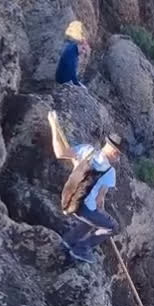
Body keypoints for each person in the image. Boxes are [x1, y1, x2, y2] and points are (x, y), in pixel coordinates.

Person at [48, 110, 121, 264]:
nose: (118, 158)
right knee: (112, 227)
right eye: (119, 154)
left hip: (69, 201)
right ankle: (81, 249)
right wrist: (102, 215)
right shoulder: (109, 171)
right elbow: (100, 200)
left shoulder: (87, 151)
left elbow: (60, 153)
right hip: (84, 209)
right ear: (114, 152)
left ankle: (67, 242)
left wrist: (53, 127)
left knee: (92, 221)